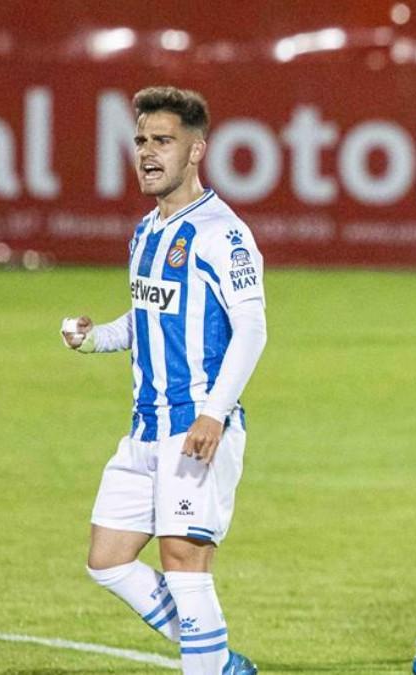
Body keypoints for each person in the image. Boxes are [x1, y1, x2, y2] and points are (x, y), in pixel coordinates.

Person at [61, 86, 266, 675]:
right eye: (141, 141)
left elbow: (252, 329)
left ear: (197, 149)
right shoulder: (147, 231)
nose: (148, 154)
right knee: (107, 560)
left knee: (182, 558)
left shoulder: (221, 233)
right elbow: (145, 317)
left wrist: (214, 412)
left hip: (194, 424)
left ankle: (207, 665)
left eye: (163, 141)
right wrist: (95, 336)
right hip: (143, 429)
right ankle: (218, 659)